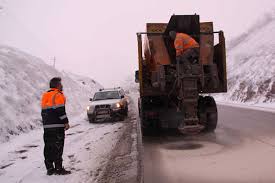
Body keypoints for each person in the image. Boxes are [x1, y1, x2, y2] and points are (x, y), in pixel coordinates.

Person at [41, 77, 71, 175]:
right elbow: (60, 111)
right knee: (58, 147)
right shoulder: (58, 95)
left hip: (47, 127)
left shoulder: (45, 95)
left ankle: (49, 168)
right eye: (60, 84)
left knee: (48, 147)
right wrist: (65, 122)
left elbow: (44, 111)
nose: (62, 86)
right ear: (57, 85)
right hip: (57, 126)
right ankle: (58, 168)